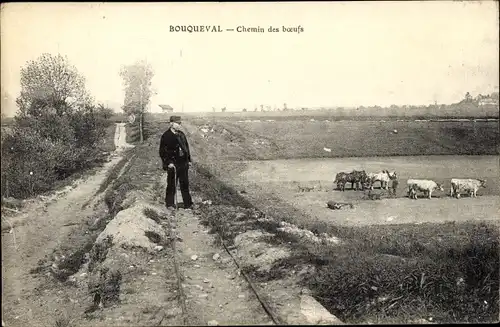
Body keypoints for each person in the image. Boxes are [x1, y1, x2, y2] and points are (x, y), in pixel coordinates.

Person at [159, 115, 194, 210]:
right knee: (171, 185)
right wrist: (168, 163)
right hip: (173, 164)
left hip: (183, 163)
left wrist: (189, 160)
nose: (179, 125)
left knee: (185, 184)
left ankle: (188, 204)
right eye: (177, 123)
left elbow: (186, 148)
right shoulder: (166, 136)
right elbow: (162, 152)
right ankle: (170, 204)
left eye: (179, 123)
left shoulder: (181, 134)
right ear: (171, 123)